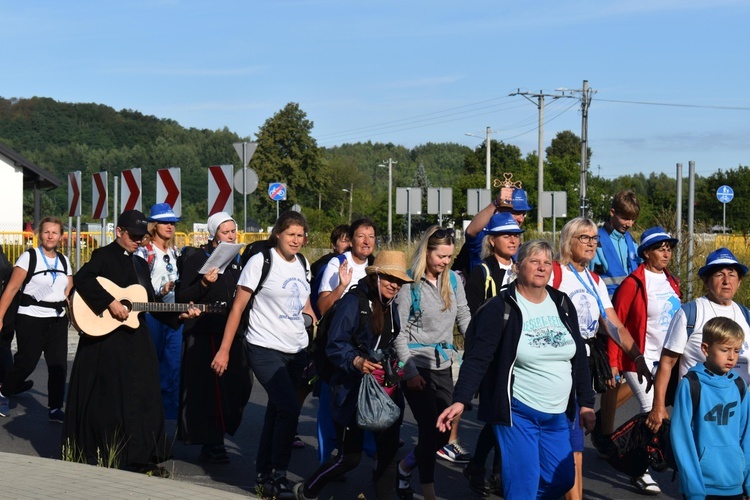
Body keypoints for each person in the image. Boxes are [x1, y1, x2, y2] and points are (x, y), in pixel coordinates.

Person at [437, 240, 596, 499]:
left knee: (564, 477)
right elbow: (477, 359)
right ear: (518, 266)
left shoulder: (562, 303)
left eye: (546, 263)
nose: (542, 268)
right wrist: (460, 400)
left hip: (557, 413)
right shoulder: (501, 308)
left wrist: (587, 403)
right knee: (524, 482)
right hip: (518, 413)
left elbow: (577, 358)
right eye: (534, 261)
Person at [63, 210, 199, 474]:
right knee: (112, 399)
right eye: (134, 236)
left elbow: (149, 303)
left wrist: (180, 314)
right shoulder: (104, 255)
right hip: (107, 342)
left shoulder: (139, 264)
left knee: (145, 394)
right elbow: (83, 279)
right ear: (119, 231)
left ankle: (139, 454)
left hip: (136, 339)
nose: (139, 241)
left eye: (142, 236)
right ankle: (108, 452)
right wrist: (110, 302)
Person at [211, 210, 315, 500]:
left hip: (295, 349)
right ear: (278, 234)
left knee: (278, 410)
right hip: (263, 346)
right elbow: (238, 308)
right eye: (291, 234)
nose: (296, 240)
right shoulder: (261, 261)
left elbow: (305, 306)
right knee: (289, 408)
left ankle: (264, 474)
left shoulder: (302, 264)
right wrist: (224, 349)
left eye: (300, 235)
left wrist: (310, 323)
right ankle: (278, 473)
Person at [293, 251, 413, 500]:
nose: (395, 285)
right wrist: (357, 361)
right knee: (349, 458)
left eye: (399, 281)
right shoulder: (353, 303)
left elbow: (390, 342)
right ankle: (306, 491)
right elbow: (335, 344)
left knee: (389, 455)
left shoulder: (391, 307)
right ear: (376, 276)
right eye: (390, 278)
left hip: (384, 390)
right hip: (351, 391)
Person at [552, 217, 652, 500]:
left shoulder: (593, 280)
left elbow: (614, 325)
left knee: (574, 434)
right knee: (559, 432)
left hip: (581, 363)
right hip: (555, 362)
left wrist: (638, 356)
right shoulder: (555, 273)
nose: (592, 243)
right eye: (585, 238)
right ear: (568, 240)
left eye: (595, 238)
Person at [393, 226, 471, 500]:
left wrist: (479, 347)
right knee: (430, 430)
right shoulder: (409, 287)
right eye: (441, 256)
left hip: (445, 364)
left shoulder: (453, 281)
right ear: (427, 252)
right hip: (417, 365)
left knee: (443, 432)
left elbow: (464, 315)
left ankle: (404, 468)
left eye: (449, 257)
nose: (446, 262)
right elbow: (398, 335)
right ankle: (429, 492)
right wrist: (410, 372)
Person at [605, 226, 681, 494]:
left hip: (669, 360)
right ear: (646, 252)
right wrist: (614, 362)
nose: (666, 252)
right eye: (661, 248)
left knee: (673, 412)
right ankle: (639, 470)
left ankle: (661, 457)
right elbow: (618, 325)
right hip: (641, 359)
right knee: (652, 412)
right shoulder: (632, 283)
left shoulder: (672, 280)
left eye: (669, 248)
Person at [175, 212, 252, 464]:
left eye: (233, 231)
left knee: (241, 384)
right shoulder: (197, 258)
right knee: (212, 390)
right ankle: (212, 442)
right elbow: (182, 295)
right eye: (225, 232)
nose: (231, 235)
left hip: (235, 330)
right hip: (205, 329)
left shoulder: (239, 260)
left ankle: (220, 432)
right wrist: (204, 286)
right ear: (213, 234)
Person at [647, 248, 750, 433]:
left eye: (732, 275)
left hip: (738, 411)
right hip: (698, 412)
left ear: (739, 281)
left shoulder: (746, 316)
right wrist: (658, 406)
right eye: (719, 274)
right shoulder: (690, 313)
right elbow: (667, 363)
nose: (727, 281)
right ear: (706, 281)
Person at [462, 211, 523, 495]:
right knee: (498, 415)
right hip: (492, 355)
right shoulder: (482, 271)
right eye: (507, 235)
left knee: (508, 415)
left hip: (518, 354)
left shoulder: (521, 268)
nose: (513, 240)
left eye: (517, 235)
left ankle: (492, 470)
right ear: (493, 240)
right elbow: (474, 318)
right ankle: (484, 468)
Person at [0, 216, 72, 420]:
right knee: (26, 363)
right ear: (40, 234)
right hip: (31, 317)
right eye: (47, 231)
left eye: (55, 232)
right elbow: (12, 288)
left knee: (58, 365)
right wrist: (0, 316)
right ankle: (3, 393)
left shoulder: (64, 261)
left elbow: (69, 290)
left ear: (60, 236)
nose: (50, 236)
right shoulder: (29, 257)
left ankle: (55, 408)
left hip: (57, 319)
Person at [670, 317, 750, 500]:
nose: (732, 357)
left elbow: (747, 436)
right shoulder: (691, 384)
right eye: (725, 350)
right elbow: (682, 439)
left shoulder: (739, 386)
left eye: (737, 351)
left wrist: (748, 482)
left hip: (734, 483)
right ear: (705, 349)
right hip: (702, 487)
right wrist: (694, 489)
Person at [134, 203, 182, 419]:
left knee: (173, 368)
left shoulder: (175, 251)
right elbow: (138, 286)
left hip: (174, 314)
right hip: (153, 313)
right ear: (154, 225)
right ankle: (147, 416)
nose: (169, 226)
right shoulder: (144, 251)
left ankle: (168, 422)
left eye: (172, 222)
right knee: (150, 366)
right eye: (164, 222)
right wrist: (161, 290)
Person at [458, 187, 531, 275]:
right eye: (516, 212)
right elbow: (470, 231)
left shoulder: (519, 244)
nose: (521, 219)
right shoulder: (487, 234)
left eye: (524, 214)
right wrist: (495, 204)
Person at [315, 218, 376, 316]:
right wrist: (342, 286)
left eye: (371, 236)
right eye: (361, 236)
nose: (367, 241)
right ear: (351, 242)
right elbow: (323, 308)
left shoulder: (376, 267)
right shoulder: (337, 264)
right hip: (342, 328)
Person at [589, 190, 642, 298]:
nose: (630, 224)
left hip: (630, 305)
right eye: (626, 219)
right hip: (606, 308)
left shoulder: (631, 240)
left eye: (633, 220)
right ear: (612, 212)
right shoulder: (595, 240)